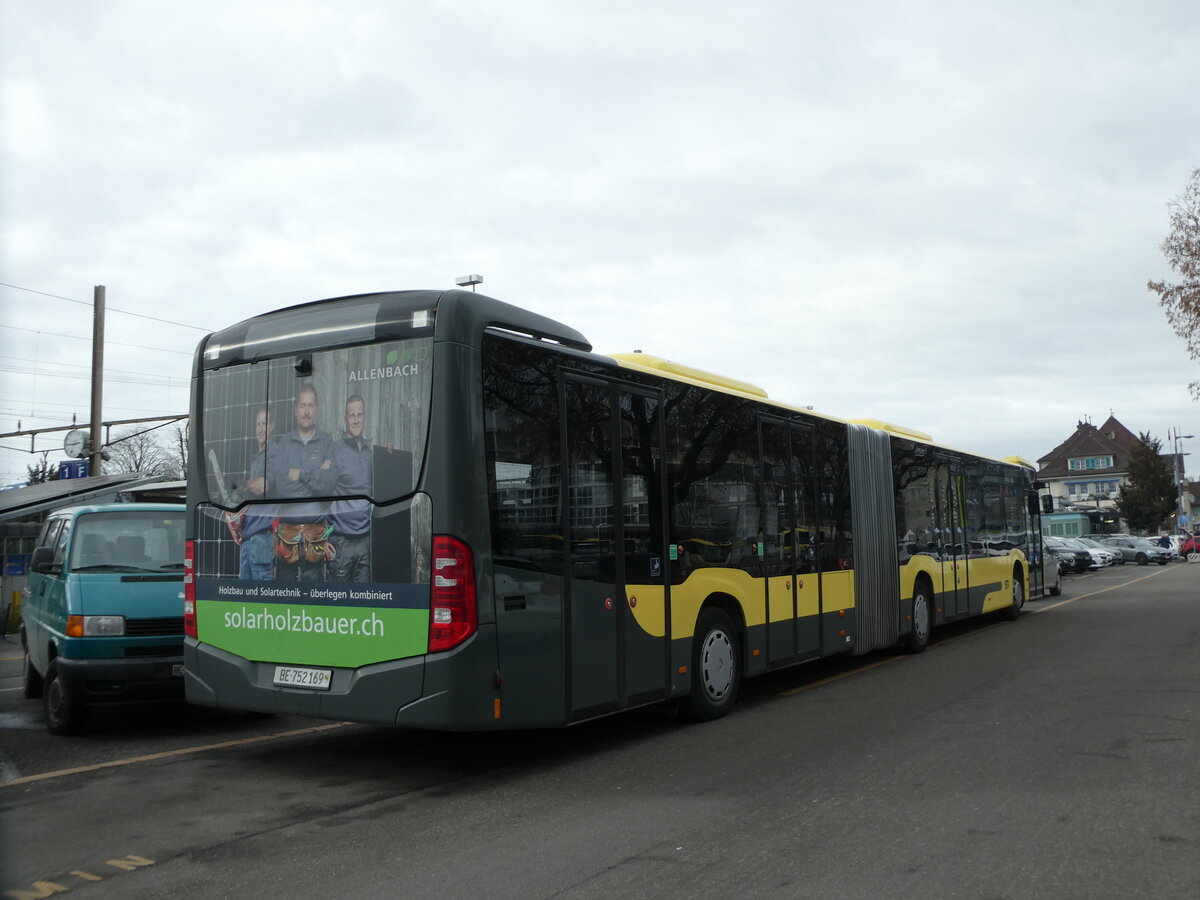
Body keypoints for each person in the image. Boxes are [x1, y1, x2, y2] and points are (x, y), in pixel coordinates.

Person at [269, 385, 336, 581]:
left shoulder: (326, 441)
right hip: (287, 535)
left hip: (316, 534)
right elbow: (282, 488)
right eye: (303, 406)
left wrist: (297, 474)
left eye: (311, 406)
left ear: (317, 409)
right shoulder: (284, 443)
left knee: (314, 597)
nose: (306, 411)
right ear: (296, 409)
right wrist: (316, 474)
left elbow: (328, 485)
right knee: (285, 597)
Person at [329, 394, 373, 582]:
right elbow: (317, 494)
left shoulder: (371, 453)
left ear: (365, 417)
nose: (356, 420)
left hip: (366, 541)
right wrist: (321, 538)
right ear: (345, 419)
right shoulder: (333, 451)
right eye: (351, 415)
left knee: (364, 605)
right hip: (340, 543)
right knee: (338, 606)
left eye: (359, 415)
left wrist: (390, 454)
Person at [238, 407, 276, 580]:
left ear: (272, 426)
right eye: (258, 424)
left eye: (265, 424)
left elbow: (262, 486)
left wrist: (242, 485)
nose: (261, 429)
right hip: (248, 537)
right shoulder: (256, 459)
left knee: (262, 598)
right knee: (245, 598)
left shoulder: (276, 453)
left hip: (263, 537)